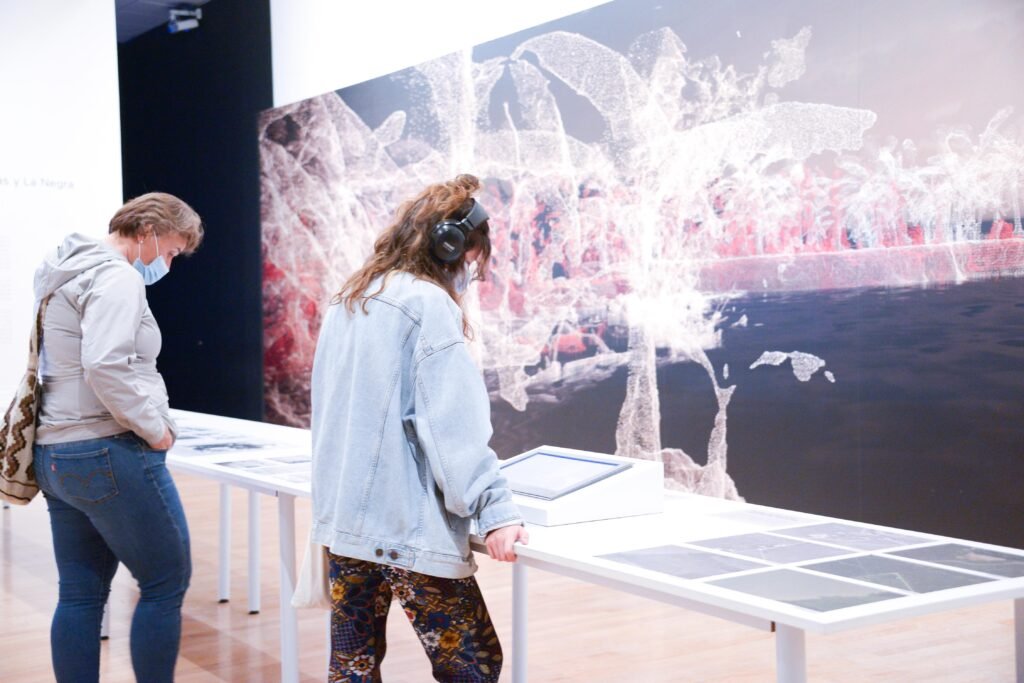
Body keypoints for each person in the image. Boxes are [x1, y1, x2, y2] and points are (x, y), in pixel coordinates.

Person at [310, 173, 529, 682]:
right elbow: (453, 431)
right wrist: (495, 510)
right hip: (403, 525)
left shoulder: (351, 297)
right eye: (472, 257)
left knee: (352, 668)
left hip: (345, 525)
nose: (471, 269)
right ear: (450, 247)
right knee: (474, 665)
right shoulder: (427, 306)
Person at [31, 192, 204, 683]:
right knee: (165, 584)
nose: (168, 263)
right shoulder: (116, 276)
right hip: (105, 447)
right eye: (171, 250)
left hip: (56, 452)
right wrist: (156, 430)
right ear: (147, 230)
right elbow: (106, 364)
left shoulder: (65, 270)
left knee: (80, 593)